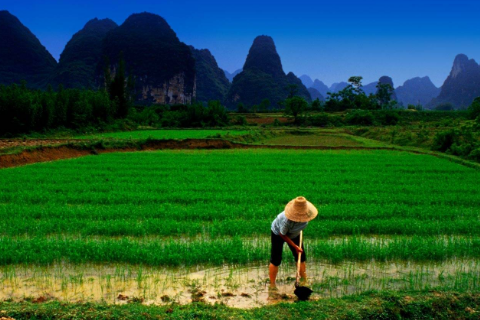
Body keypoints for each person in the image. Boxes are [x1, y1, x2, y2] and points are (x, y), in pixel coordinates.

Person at [269, 196, 318, 288]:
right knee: (276, 259)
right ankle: (272, 285)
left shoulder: (307, 215)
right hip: (278, 234)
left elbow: (300, 227)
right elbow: (282, 234)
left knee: (301, 256)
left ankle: (304, 281)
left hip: (294, 233)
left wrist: (297, 247)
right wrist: (295, 246)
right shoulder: (286, 220)